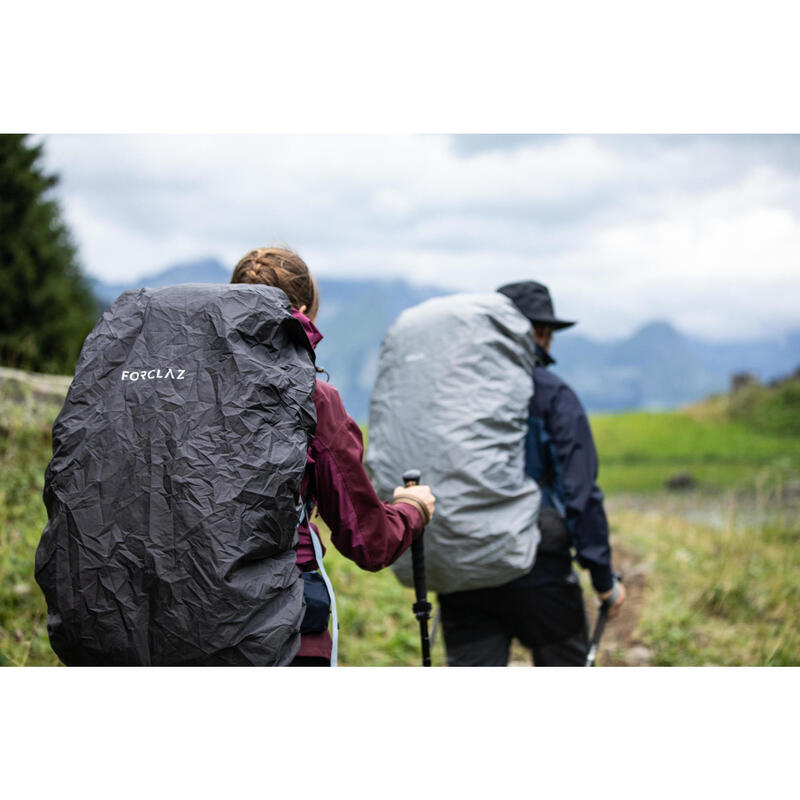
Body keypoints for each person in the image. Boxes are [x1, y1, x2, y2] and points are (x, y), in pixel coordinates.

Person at [231, 247, 436, 666]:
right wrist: (413, 510)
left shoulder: (181, 394)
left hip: (183, 618)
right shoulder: (313, 400)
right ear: (302, 310)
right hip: (284, 627)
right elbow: (369, 540)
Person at [437, 280, 625, 666]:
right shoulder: (554, 396)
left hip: (466, 571)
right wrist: (603, 581)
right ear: (539, 333)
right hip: (540, 571)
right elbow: (581, 494)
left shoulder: (452, 393)